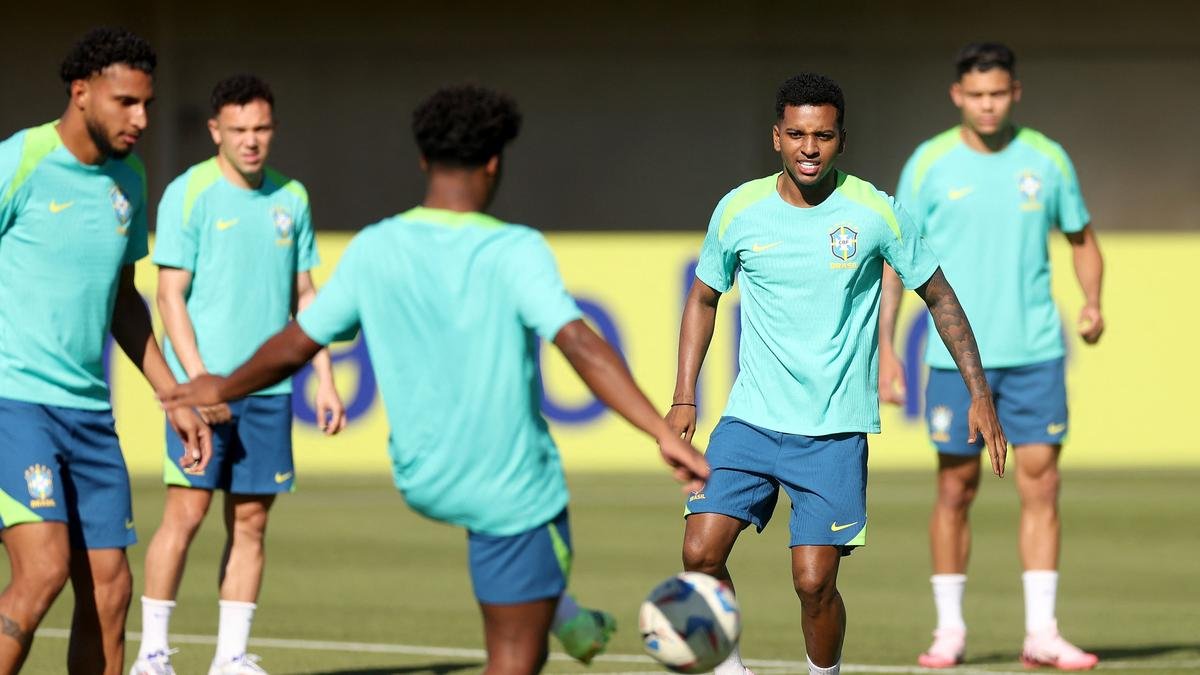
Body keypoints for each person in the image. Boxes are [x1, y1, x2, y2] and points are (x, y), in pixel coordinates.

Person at [160, 84, 710, 675]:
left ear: (423, 159)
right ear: (494, 162)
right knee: (515, 656)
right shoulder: (514, 249)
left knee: (519, 572)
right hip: (507, 488)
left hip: (424, 477)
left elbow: (297, 342)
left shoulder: (374, 248)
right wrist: (661, 431)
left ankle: (562, 613)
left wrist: (220, 385)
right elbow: (578, 342)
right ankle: (559, 612)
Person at [666, 73, 1007, 675]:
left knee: (814, 581)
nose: (809, 148)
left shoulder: (875, 212)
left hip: (833, 430)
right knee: (700, 552)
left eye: (822, 136)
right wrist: (683, 396)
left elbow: (940, 297)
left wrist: (979, 393)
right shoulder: (739, 209)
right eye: (797, 134)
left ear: (841, 140)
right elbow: (702, 298)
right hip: (750, 419)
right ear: (776, 137)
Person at [879, 42, 1104, 671]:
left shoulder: (1047, 159)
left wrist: (1093, 301)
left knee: (1043, 484)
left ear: (1015, 93)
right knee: (956, 487)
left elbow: (1082, 237)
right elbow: (896, 260)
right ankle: (949, 631)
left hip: (1035, 352)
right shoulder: (929, 164)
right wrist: (887, 348)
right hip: (955, 360)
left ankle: (1042, 633)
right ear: (958, 95)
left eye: (998, 93)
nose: (987, 105)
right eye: (976, 95)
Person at [0, 27, 212, 674]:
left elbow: (123, 299)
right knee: (43, 570)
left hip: (90, 414)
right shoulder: (21, 160)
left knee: (111, 589)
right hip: (14, 403)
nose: (141, 118)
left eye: (147, 103)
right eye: (126, 102)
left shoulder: (130, 178)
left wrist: (173, 395)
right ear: (81, 92)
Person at [130, 75, 347, 675]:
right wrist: (201, 383)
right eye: (239, 129)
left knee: (251, 522)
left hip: (269, 392)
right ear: (215, 131)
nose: (251, 141)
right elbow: (169, 296)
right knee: (186, 515)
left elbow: (306, 297)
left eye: (261, 129)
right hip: (200, 389)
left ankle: (230, 659)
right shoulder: (189, 192)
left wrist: (325, 376)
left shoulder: (292, 198)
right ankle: (152, 655)